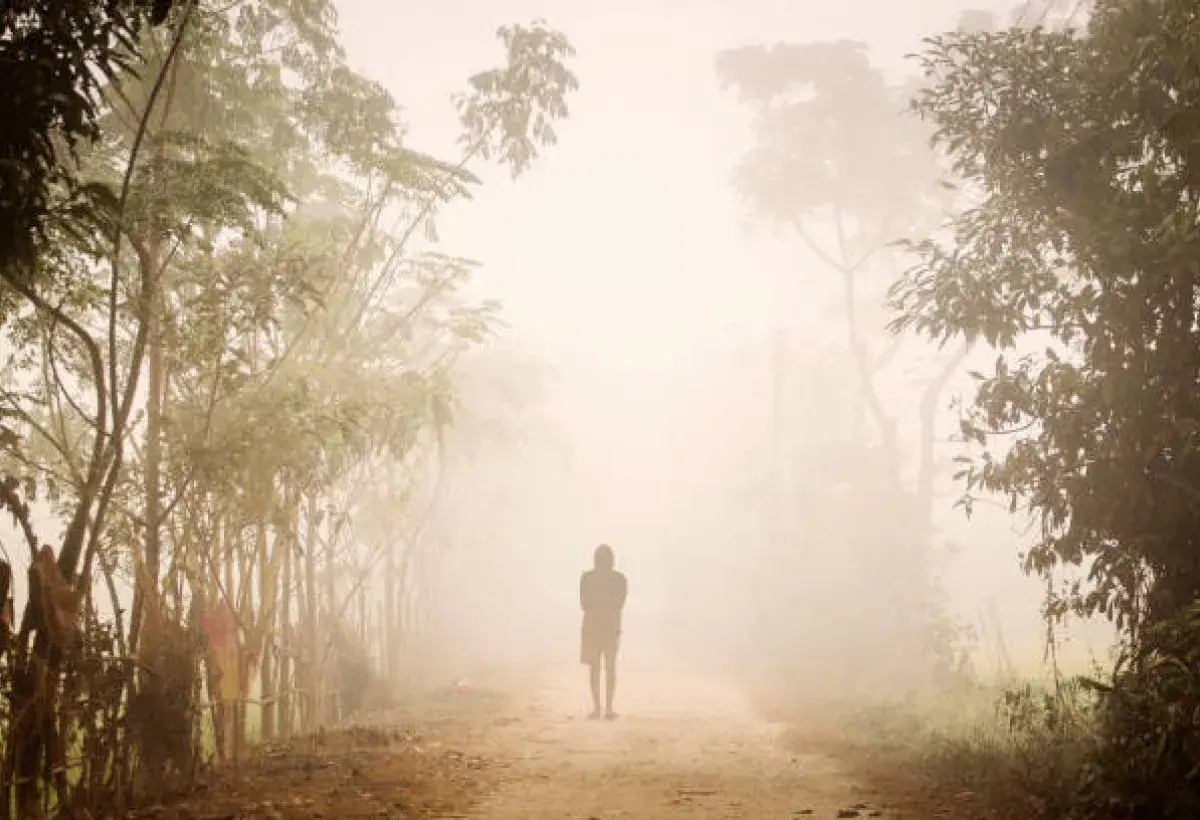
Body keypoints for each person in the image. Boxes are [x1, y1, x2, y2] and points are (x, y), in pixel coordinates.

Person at [579, 543, 627, 720]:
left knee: (595, 668)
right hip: (611, 628)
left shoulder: (587, 578)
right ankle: (608, 708)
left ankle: (598, 707)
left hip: (592, 627)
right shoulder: (620, 579)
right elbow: (619, 604)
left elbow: (583, 604)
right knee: (610, 668)